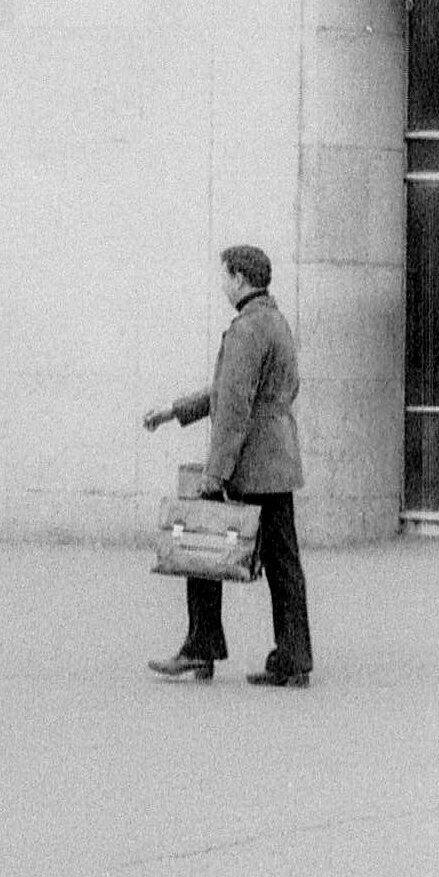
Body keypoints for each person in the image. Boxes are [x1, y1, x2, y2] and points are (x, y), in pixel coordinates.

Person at [144, 243, 313, 686]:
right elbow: (238, 392)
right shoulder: (275, 322)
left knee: (201, 547)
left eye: (225, 275)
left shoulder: (245, 329)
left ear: (239, 278)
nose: (223, 284)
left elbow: (234, 407)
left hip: (248, 464)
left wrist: (214, 476)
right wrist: (174, 411)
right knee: (284, 565)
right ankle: (294, 659)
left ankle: (200, 648)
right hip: (279, 461)